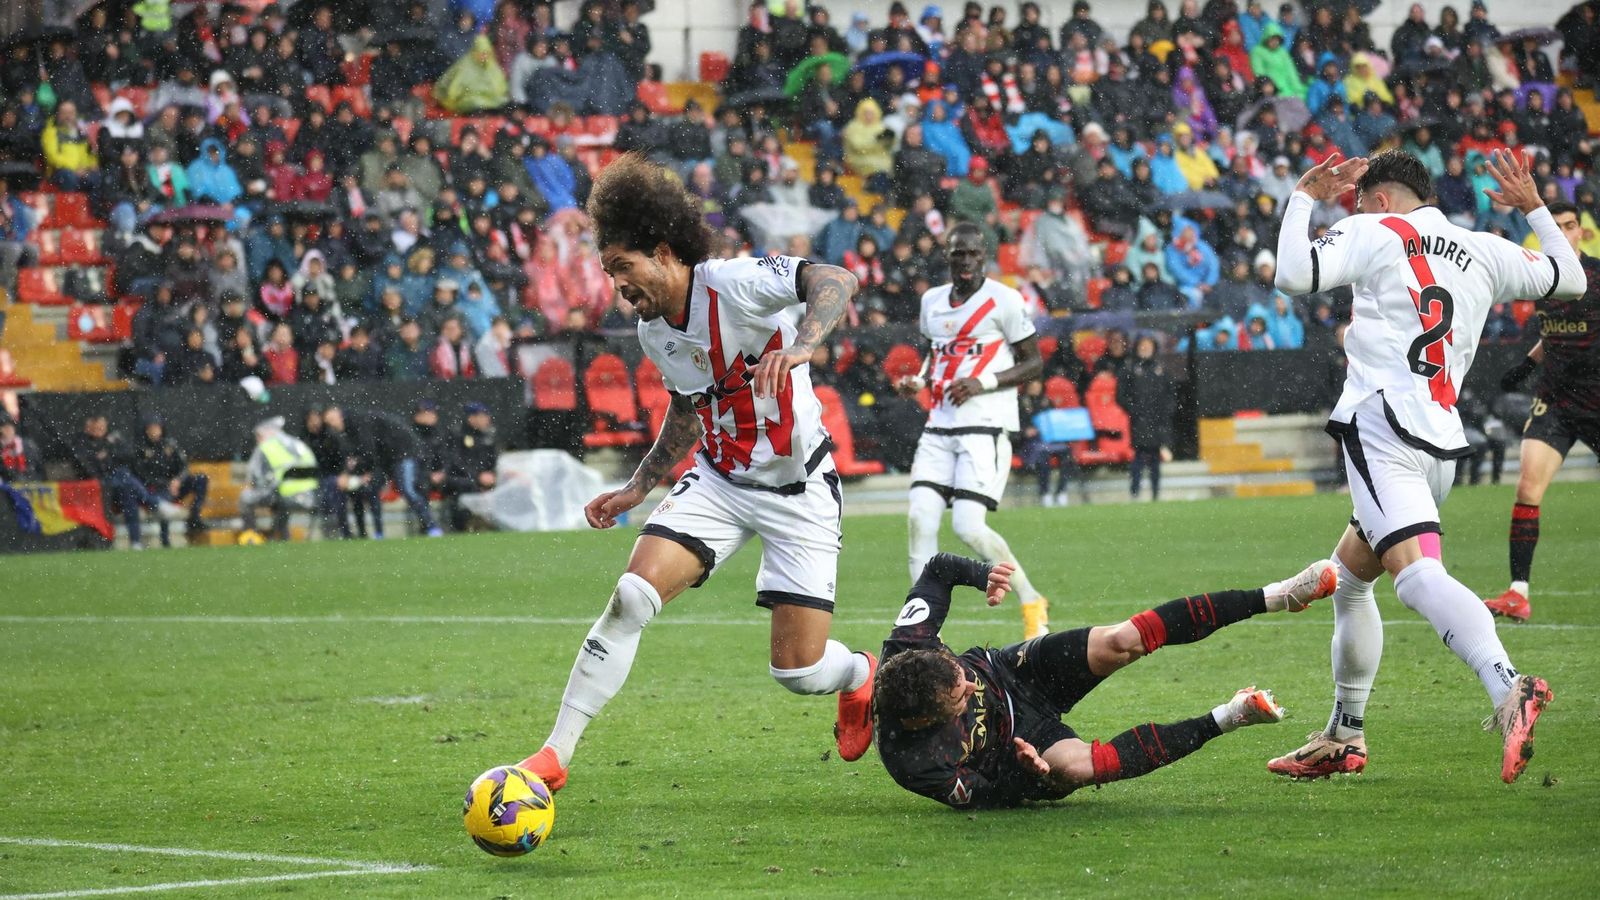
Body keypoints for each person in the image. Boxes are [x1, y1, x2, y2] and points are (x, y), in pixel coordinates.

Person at [517, 154, 876, 794]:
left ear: (662, 251)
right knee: (631, 596)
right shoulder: (653, 330)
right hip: (719, 481)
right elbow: (689, 406)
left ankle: (859, 675)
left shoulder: (735, 281)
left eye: (622, 268)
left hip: (800, 490)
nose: (617, 286)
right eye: (608, 273)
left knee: (797, 672)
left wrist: (803, 343)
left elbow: (835, 279)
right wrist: (639, 484)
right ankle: (553, 755)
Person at [1270, 149, 1584, 783]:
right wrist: (1533, 209)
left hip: (1382, 424)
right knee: (1349, 579)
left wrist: (1303, 196)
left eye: (1358, 200)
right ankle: (1344, 734)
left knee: (1415, 579)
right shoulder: (1484, 247)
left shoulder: (1373, 229)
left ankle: (1508, 689)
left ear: (1381, 199)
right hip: (1440, 439)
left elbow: (1292, 274)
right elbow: (1570, 279)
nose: (1351, 211)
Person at [874, 553, 1338, 808]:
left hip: (1013, 671)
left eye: (961, 676)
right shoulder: (916, 763)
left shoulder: (911, 645)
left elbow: (937, 569)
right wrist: (1024, 774)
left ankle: (1278, 596)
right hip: (1020, 743)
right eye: (960, 698)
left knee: (1122, 640)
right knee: (1077, 769)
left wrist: (983, 574)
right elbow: (985, 797)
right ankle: (1230, 716)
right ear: (925, 719)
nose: (969, 689)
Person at [893, 223, 1051, 640]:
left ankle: (1031, 598)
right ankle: (921, 627)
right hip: (939, 424)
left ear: (985, 256)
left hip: (984, 426)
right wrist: (920, 380)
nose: (964, 262)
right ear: (947, 256)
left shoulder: (1005, 300)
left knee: (968, 526)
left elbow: (1034, 362)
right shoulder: (931, 301)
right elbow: (936, 354)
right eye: (957, 254)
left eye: (972, 254)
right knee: (919, 518)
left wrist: (984, 382)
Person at [1485, 202, 1600, 622]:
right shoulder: (1543, 279)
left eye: (1570, 226)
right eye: (1557, 227)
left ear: (1581, 234)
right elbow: (1554, 335)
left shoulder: (1597, 276)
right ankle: (1518, 592)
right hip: (1554, 401)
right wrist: (1529, 364)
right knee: (1527, 490)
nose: (1564, 234)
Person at [323, 405, 443, 539]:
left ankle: (432, 526)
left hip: (403, 453)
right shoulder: (354, 426)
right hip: (392, 457)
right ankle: (377, 533)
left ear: (340, 415)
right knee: (378, 489)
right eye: (329, 422)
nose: (332, 425)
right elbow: (364, 453)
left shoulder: (359, 422)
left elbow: (368, 450)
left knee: (408, 489)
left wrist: (360, 472)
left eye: (332, 420)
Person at [70, 414, 187, 550]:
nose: (99, 431)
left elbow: (127, 456)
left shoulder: (113, 439)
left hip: (119, 484)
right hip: (98, 486)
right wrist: (107, 457)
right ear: (87, 428)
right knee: (123, 476)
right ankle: (155, 504)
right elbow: (89, 466)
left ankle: (135, 542)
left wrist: (108, 454)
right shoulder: (81, 442)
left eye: (101, 428)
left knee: (128, 491)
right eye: (95, 429)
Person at [130, 417, 209, 547]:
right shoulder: (141, 448)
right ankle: (165, 539)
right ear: (146, 431)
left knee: (201, 479)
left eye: (156, 428)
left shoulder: (170, 445)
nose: (154, 431)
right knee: (164, 499)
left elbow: (184, 467)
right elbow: (141, 475)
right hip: (155, 488)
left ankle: (194, 517)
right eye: (151, 429)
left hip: (175, 486)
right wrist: (166, 484)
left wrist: (177, 480)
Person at [240, 416, 320, 540]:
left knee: (245, 497)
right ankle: (282, 536)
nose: (257, 440)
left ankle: (251, 537)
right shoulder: (298, 444)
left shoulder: (264, 448)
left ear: (264, 433)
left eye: (258, 436)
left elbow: (255, 479)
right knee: (280, 502)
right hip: (310, 498)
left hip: (284, 497)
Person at [1118, 336, 1174, 500]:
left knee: (1156, 457)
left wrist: (1166, 411)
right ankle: (1134, 492)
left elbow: (1171, 394)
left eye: (1148, 345)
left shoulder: (1161, 369)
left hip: (1158, 420)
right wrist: (1133, 410)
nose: (1145, 348)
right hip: (1139, 420)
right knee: (1139, 456)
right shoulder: (1130, 369)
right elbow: (1120, 395)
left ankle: (1155, 493)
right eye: (1143, 345)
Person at [443, 401, 499, 531]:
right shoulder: (457, 435)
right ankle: (465, 526)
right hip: (459, 478)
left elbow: (492, 461)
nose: (487, 419)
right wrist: (477, 476)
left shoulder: (487, 437)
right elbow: (456, 463)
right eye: (483, 416)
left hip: (482, 479)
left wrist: (491, 474)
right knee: (467, 485)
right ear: (471, 418)